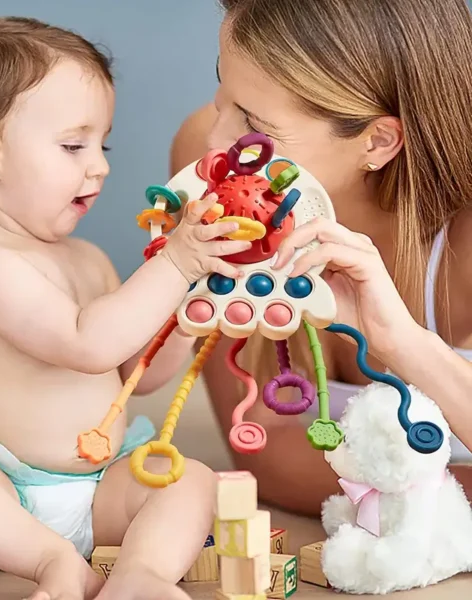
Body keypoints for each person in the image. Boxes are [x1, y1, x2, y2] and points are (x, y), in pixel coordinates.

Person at [0, 16, 251, 600]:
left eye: (102, 145)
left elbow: (139, 376)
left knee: (190, 479)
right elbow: (86, 344)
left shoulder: (89, 259)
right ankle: (51, 560)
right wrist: (174, 266)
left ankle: (140, 574)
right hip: (1, 496)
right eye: (74, 145)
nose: (99, 165)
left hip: (104, 484)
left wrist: (184, 310)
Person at [171, 0, 472, 516]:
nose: (215, 145)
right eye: (222, 91)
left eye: (253, 124)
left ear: (378, 141)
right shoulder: (209, 154)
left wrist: (402, 343)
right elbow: (267, 454)